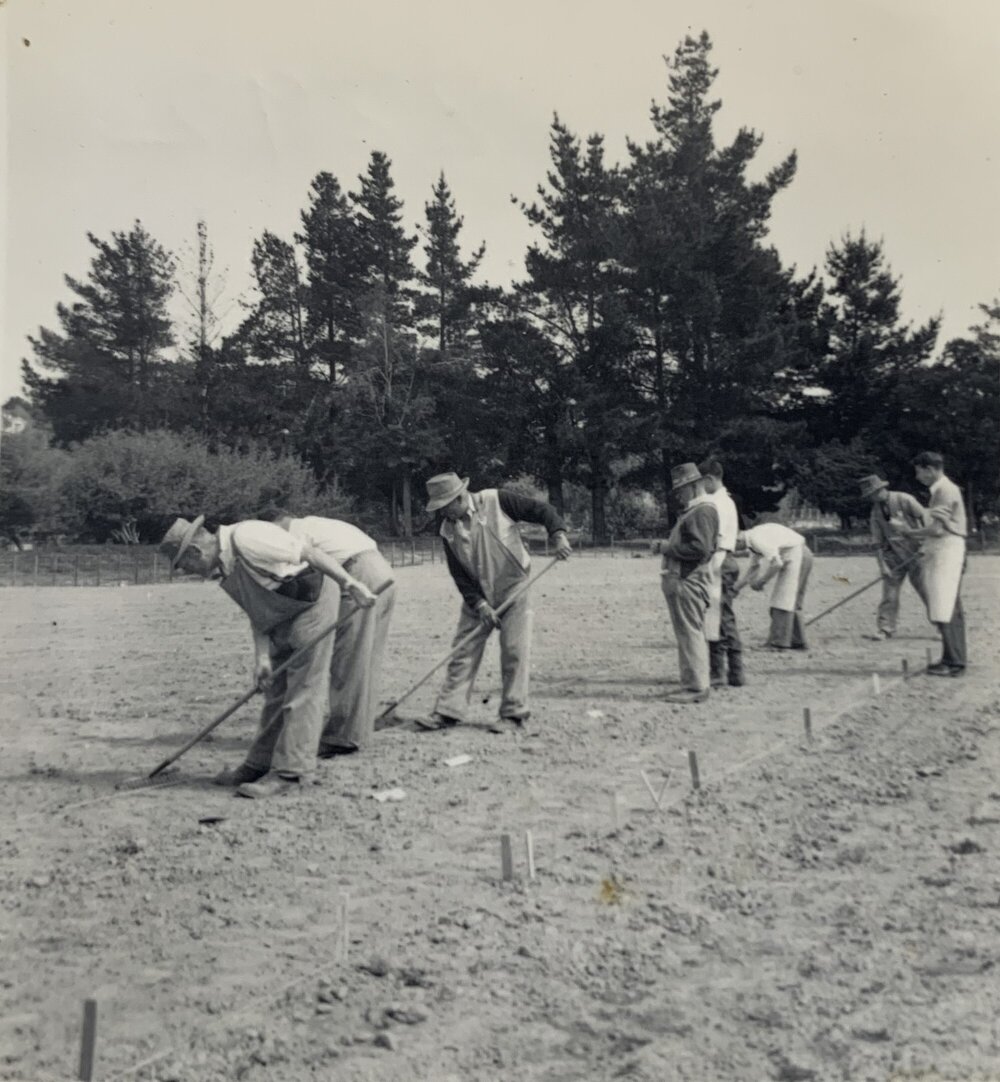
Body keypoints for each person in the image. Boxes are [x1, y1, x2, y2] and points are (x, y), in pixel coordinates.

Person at [158, 515, 377, 798]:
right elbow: (258, 609)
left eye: (184, 565)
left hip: (313, 603)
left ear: (195, 552)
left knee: (304, 687)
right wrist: (262, 657)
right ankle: (258, 764)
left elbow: (311, 553)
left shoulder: (250, 537)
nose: (189, 572)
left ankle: (292, 773)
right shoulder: (226, 564)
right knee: (275, 687)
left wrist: (350, 583)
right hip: (282, 612)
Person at [415, 472, 571, 732]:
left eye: (445, 507)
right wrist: (480, 605)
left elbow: (542, 510)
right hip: (479, 595)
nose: (443, 513)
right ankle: (448, 711)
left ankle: (514, 715)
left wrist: (558, 534)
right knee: (462, 651)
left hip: (514, 586)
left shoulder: (497, 500)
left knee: (513, 650)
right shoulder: (446, 530)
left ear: (459, 497)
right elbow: (460, 575)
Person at [258, 509, 395, 756]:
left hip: (358, 573)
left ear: (277, 523)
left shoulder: (295, 534)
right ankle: (358, 731)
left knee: (348, 658)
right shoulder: (318, 524)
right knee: (366, 658)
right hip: (383, 572)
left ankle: (342, 737)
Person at [650, 462, 720, 704]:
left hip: (686, 580)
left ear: (693, 486)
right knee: (688, 633)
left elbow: (700, 548)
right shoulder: (697, 511)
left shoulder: (702, 511)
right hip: (683, 579)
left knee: (690, 633)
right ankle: (693, 683)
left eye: (680, 490)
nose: (678, 496)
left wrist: (665, 547)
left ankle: (696, 687)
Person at [892, 452, 967, 676]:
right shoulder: (941, 490)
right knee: (947, 605)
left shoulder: (944, 491)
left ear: (930, 469)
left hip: (947, 550)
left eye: (919, 471)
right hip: (943, 548)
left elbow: (936, 529)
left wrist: (908, 533)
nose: (918, 477)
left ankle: (955, 662)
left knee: (947, 605)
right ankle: (950, 657)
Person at [857, 473, 928, 639]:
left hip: (917, 553)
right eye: (869, 496)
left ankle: (944, 627)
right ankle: (885, 628)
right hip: (894, 555)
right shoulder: (875, 512)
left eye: (874, 493)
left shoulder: (904, 499)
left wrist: (926, 543)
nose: (872, 498)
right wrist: (883, 566)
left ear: (882, 489)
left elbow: (925, 517)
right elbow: (877, 542)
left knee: (927, 592)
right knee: (889, 594)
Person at [698, 458, 745, 687]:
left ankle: (722, 672)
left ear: (709, 479)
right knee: (721, 616)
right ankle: (734, 672)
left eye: (701, 482)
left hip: (719, 559)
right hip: (725, 559)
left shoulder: (717, 503)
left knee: (718, 618)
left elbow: (714, 539)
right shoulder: (726, 501)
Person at [733, 522, 813, 649]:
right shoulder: (752, 541)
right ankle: (796, 641)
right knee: (788, 601)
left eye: (734, 547)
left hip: (798, 554)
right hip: (793, 555)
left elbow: (776, 564)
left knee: (783, 601)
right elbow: (753, 569)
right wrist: (735, 589)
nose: (735, 550)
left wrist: (762, 581)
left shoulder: (756, 539)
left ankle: (778, 643)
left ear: (737, 540)